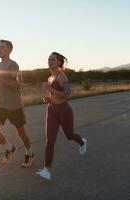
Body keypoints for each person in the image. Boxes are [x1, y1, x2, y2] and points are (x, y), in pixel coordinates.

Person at [36, 52, 87, 181]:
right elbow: (55, 95)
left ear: (59, 62)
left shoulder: (62, 76)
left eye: (52, 59)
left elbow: (67, 94)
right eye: (48, 59)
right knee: (50, 140)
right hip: (52, 110)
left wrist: (51, 90)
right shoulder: (50, 77)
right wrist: (49, 98)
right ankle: (46, 170)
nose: (49, 61)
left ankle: (82, 142)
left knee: (69, 135)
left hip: (64, 110)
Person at [0, 39, 34, 168]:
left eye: (2, 47)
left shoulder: (13, 65)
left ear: (9, 49)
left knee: (21, 133)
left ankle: (29, 153)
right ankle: (9, 148)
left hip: (15, 106)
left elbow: (17, 85)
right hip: (1, 104)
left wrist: (2, 79)